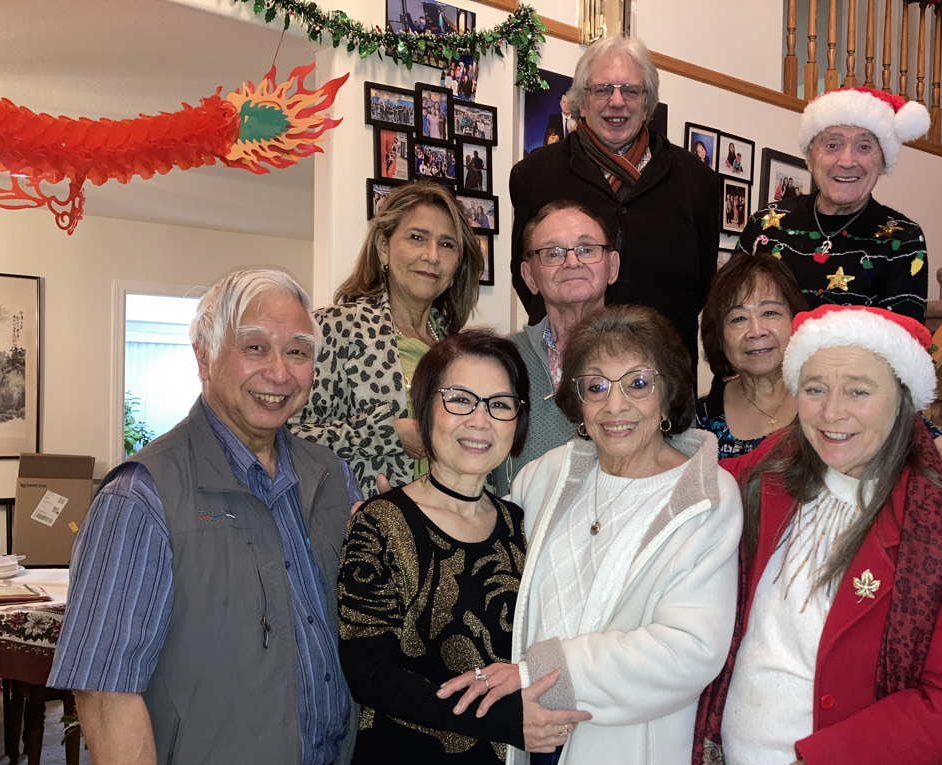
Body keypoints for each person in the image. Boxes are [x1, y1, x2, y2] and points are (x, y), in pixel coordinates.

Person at [48, 269, 360, 765]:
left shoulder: (331, 476)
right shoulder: (142, 496)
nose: (279, 372)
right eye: (255, 346)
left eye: (298, 351)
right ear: (204, 356)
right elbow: (104, 691)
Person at [692, 304, 942, 765]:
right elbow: (671, 482)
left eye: (859, 391)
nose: (832, 412)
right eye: (815, 388)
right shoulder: (762, 481)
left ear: (903, 399)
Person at [440, 305, 740, 765]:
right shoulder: (546, 476)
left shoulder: (705, 496)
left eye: (637, 383)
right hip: (532, 760)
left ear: (669, 391)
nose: (615, 405)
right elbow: (489, 571)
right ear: (576, 400)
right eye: (596, 387)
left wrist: (537, 673)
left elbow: (688, 650)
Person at [338, 330, 589, 765]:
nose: (480, 420)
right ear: (426, 410)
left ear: (517, 422)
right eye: (459, 399)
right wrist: (503, 720)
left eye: (500, 404)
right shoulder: (381, 522)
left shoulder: (520, 525)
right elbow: (369, 672)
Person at [510, 35, 721, 370]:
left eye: (631, 90)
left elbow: (702, 286)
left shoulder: (698, 182)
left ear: (647, 103)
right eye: (603, 89)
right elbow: (526, 276)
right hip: (563, 368)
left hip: (664, 370)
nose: (617, 101)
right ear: (582, 101)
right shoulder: (534, 176)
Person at [291, 181, 481, 497]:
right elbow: (286, 438)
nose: (432, 255)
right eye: (417, 237)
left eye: (447, 244)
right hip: (361, 520)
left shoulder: (459, 349)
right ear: (383, 247)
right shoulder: (334, 329)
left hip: (447, 519)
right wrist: (387, 434)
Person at [740, 86, 931, 323]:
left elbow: (903, 336)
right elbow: (727, 311)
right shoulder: (765, 223)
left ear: (882, 162)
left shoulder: (903, 238)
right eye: (832, 145)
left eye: (864, 147)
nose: (847, 161)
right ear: (810, 158)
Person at [494, 199, 619, 495]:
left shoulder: (651, 355)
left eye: (586, 249)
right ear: (530, 277)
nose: (572, 262)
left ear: (612, 267)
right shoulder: (502, 360)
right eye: (553, 253)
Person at [697, 253, 807, 459]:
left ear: (796, 320)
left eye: (769, 313)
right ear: (719, 336)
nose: (756, 331)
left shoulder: (826, 404)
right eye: (738, 318)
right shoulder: (698, 422)